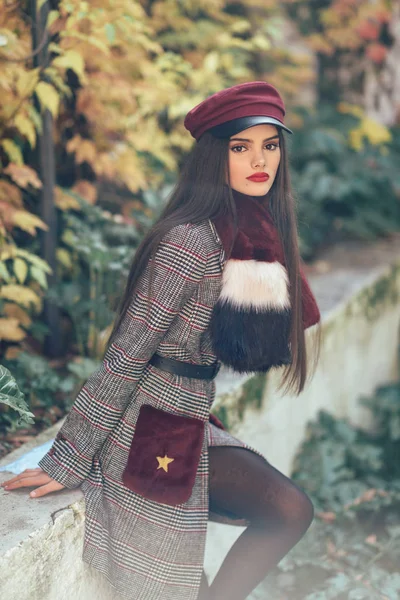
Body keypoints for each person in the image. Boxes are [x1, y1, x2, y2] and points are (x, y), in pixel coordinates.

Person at [1, 81, 322, 600]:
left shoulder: (255, 235)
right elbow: (125, 357)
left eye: (270, 144)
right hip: (144, 425)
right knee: (278, 515)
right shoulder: (190, 241)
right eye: (241, 147)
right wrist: (69, 457)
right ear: (215, 155)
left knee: (279, 516)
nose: (259, 160)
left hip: (189, 417)